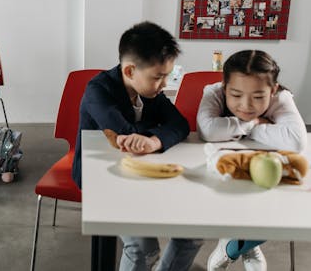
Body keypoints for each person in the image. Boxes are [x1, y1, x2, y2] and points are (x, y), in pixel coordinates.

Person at [72, 21, 202, 271]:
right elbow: (127, 134)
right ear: (130, 71)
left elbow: (180, 124)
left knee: (192, 234)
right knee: (143, 248)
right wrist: (154, 132)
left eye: (167, 76)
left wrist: (154, 139)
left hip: (146, 172)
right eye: (159, 77)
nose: (165, 84)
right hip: (102, 178)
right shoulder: (98, 90)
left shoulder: (150, 91)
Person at [197, 50, 308, 271]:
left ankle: (233, 247)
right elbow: (207, 130)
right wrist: (254, 123)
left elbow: (296, 141)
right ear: (224, 86)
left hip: (269, 163)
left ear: (273, 90)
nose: (246, 106)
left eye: (258, 97)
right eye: (236, 95)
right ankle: (244, 243)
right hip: (221, 161)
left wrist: (239, 128)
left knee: (280, 210)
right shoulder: (213, 92)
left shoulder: (281, 97)